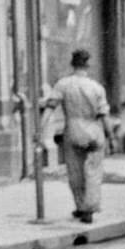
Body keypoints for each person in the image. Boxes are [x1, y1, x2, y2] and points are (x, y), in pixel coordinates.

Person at [43, 49, 115, 224]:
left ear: (72, 64)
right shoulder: (96, 87)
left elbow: (50, 108)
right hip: (94, 131)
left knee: (75, 172)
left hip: (73, 130)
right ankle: (90, 208)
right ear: (87, 65)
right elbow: (104, 115)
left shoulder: (63, 84)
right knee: (94, 171)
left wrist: (40, 129)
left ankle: (81, 206)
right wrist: (111, 136)